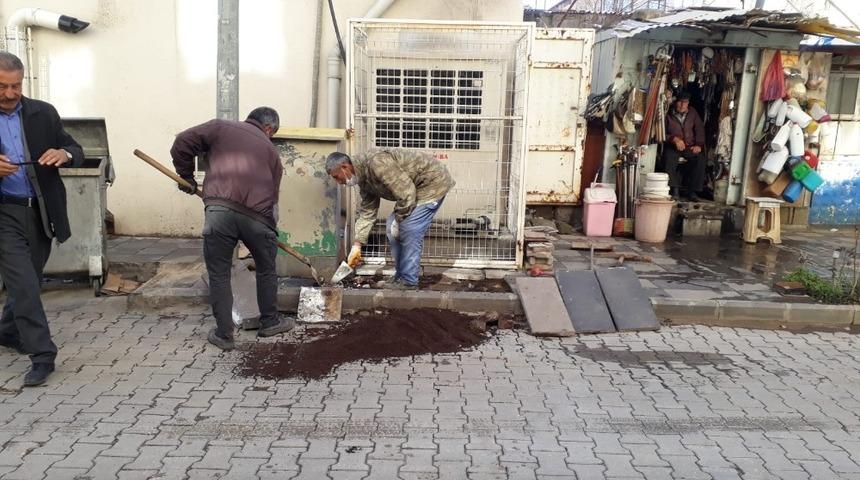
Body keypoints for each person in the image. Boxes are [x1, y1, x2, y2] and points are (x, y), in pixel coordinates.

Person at [171, 107, 292, 351]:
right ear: (268, 128)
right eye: (273, 133)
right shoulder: (272, 153)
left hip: (220, 212)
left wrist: (186, 177)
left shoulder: (220, 127)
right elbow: (274, 201)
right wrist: (270, 232)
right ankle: (270, 322)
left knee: (219, 274)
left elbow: (181, 142)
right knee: (267, 269)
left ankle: (224, 335)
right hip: (259, 218)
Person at [0, 52, 84, 386]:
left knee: (28, 283)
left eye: (15, 86)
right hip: (4, 211)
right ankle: (42, 354)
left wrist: (64, 154)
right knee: (22, 283)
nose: (9, 94)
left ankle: (7, 331)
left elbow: (74, 148)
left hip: (41, 212)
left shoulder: (43, 113)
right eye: (2, 86)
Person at [325, 148, 454, 290]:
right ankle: (401, 276)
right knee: (391, 229)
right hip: (414, 188)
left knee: (408, 228)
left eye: (337, 177)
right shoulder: (362, 178)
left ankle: (409, 281)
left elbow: (406, 194)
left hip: (432, 183)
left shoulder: (378, 163)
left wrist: (399, 220)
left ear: (345, 167)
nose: (338, 182)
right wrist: (357, 244)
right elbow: (368, 212)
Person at [661, 92, 706, 201]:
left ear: (688, 103)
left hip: (689, 146)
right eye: (680, 102)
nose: (682, 105)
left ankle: (692, 191)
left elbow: (699, 129)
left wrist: (699, 145)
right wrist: (674, 139)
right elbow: (660, 132)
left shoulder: (693, 113)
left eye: (685, 102)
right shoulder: (668, 113)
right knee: (668, 158)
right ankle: (675, 189)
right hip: (673, 146)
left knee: (700, 159)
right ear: (676, 102)